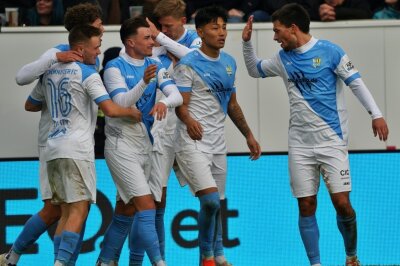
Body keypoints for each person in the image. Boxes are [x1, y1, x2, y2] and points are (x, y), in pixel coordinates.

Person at [241, 3, 389, 266]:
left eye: (277, 31)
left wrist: (375, 114)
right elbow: (254, 70)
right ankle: (315, 264)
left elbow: (356, 83)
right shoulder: (281, 58)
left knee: (342, 204)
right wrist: (247, 43)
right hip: (299, 144)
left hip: (332, 140)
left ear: (293, 28)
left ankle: (351, 257)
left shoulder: (331, 52)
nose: (275, 37)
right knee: (306, 205)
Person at [24, 24, 141, 266]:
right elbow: (110, 109)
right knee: (79, 210)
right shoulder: (88, 74)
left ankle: (39, 259)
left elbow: (30, 105)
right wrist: (130, 111)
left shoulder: (50, 72)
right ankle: (60, 264)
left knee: (65, 212)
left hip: (53, 147)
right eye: (96, 47)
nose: (99, 52)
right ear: (80, 48)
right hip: (77, 149)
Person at [173, 6, 261, 266]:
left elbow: (232, 104)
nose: (221, 32)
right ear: (200, 32)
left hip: (217, 142)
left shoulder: (229, 63)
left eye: (224, 27)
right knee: (210, 200)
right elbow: (181, 104)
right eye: (215, 27)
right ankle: (206, 257)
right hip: (192, 141)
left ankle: (219, 254)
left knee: (218, 202)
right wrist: (188, 120)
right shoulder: (188, 64)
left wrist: (248, 135)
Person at [95, 16, 182, 266]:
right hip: (121, 145)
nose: (152, 42)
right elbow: (121, 103)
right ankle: (159, 263)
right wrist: (145, 81)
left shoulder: (155, 63)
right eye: (147, 37)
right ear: (130, 42)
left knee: (126, 209)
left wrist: (164, 101)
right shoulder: (114, 67)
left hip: (145, 143)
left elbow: (175, 94)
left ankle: (105, 260)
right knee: (146, 206)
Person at [15, 2, 104, 86]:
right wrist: (56, 57)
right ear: (85, 30)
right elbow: (20, 78)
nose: (103, 29)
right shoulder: (58, 52)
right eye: (99, 25)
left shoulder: (94, 55)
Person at [299, 0, 372, 21]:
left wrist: (335, 12)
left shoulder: (357, 2)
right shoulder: (314, 3)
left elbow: (366, 14)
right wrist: (319, 13)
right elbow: (300, 13)